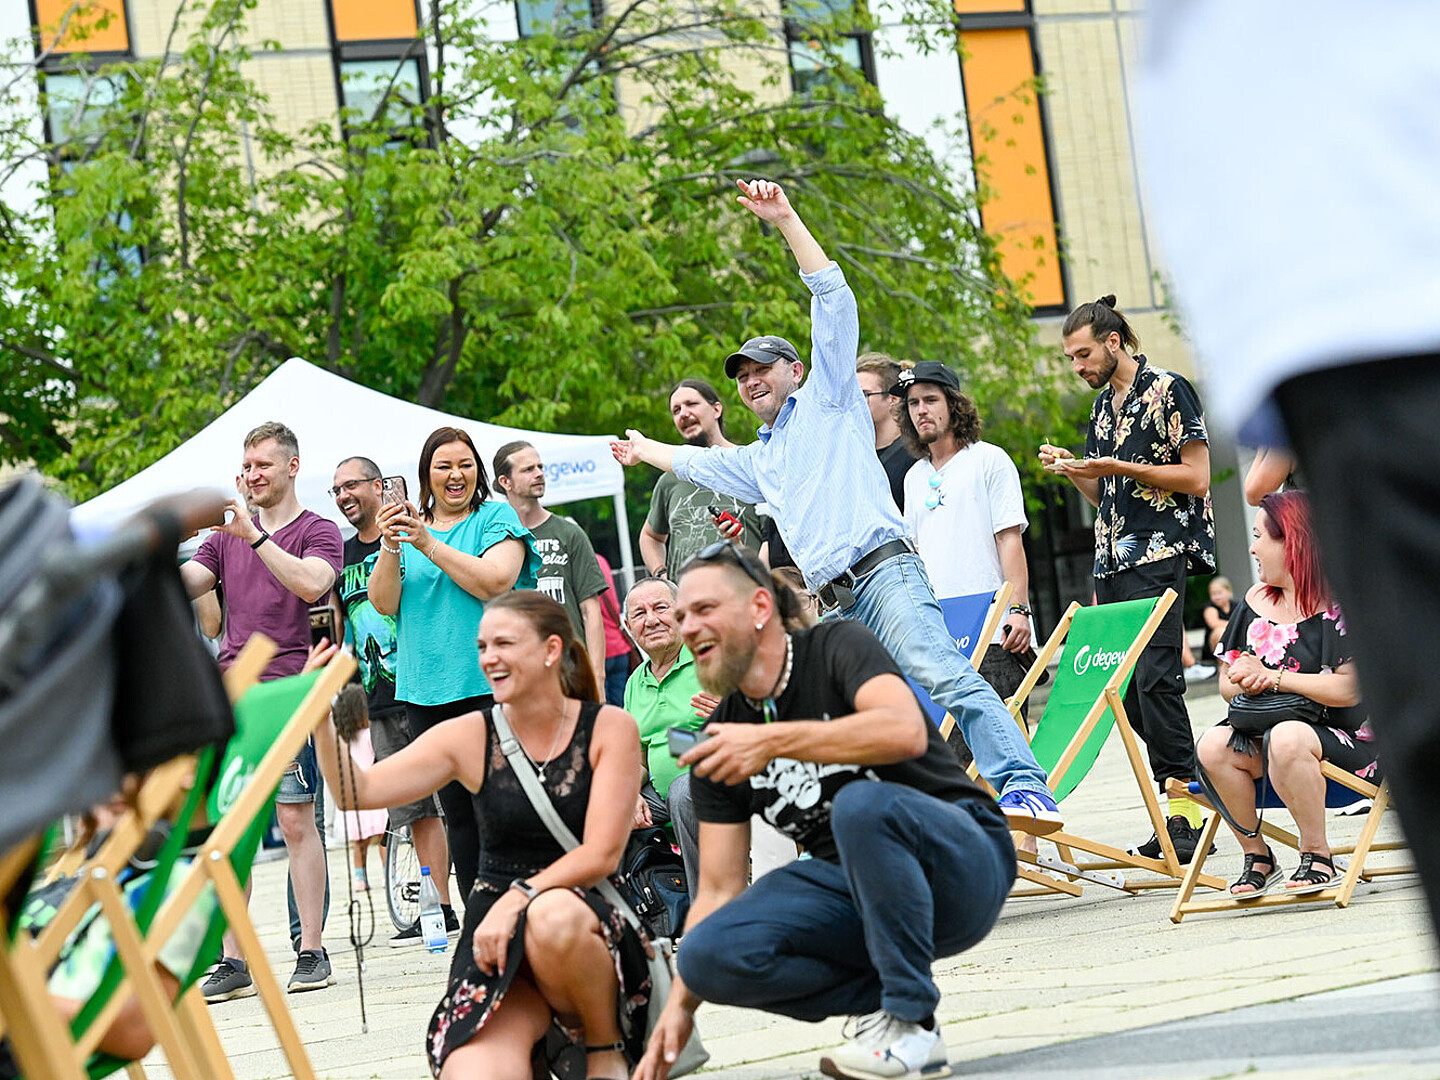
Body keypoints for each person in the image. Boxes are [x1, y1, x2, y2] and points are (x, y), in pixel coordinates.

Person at [611, 178, 1061, 833]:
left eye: (762, 368)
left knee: (940, 673)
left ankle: (1024, 787)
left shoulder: (830, 400)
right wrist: (644, 447)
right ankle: (924, 813)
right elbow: (697, 462)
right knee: (857, 715)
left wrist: (786, 218)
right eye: (740, 378)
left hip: (882, 573)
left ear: (796, 370)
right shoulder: (760, 459)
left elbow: (834, 296)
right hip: (837, 601)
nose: (751, 380)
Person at [1134, 0, 1440, 947]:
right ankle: (1261, 857)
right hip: (1339, 325)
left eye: (1267, 541)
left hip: (1366, 312)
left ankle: (1296, 852)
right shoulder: (1263, 605)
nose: (1260, 542)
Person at [634, 543, 1015, 1080]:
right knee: (706, 953)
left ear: (760, 608)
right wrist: (676, 1012)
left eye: (704, 610)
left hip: (962, 867)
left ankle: (909, 1021)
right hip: (857, 895)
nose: (687, 627)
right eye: (682, 616)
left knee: (860, 805)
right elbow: (717, 891)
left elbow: (903, 730)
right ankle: (886, 1007)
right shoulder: (721, 740)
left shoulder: (836, 645)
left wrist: (772, 741)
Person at [313, 592, 648, 1080]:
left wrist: (520, 899)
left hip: (580, 919)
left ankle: (603, 1046)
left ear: (552, 650)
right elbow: (355, 792)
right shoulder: (471, 734)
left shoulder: (608, 727)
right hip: (496, 940)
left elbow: (601, 853)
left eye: (504, 643)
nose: (489, 657)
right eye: (483, 646)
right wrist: (321, 718)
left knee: (552, 917)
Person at [1041, 297, 1215, 861]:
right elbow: (1104, 496)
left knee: (1157, 681)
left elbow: (1197, 477)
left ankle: (1185, 810)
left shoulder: (1169, 389)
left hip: (1160, 553)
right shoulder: (1101, 411)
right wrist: (1076, 471)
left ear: (1114, 342)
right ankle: (1190, 790)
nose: (1078, 367)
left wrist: (1120, 466)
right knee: (1126, 694)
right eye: (1071, 358)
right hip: (1111, 561)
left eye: (1083, 354)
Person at [179, 421, 341, 999]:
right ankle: (233, 959)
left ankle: (313, 950)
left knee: (298, 821)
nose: (251, 477)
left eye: (262, 466)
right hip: (232, 699)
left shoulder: (318, 529)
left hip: (291, 691)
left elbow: (311, 583)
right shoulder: (223, 537)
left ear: (292, 467)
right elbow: (190, 581)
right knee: (230, 830)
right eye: (245, 468)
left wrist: (253, 537)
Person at [368, 427, 541, 902]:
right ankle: (479, 919)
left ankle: (524, 909)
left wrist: (426, 544)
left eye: (464, 464)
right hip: (425, 691)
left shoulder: (493, 517)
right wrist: (389, 544)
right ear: (427, 475)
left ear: (478, 470)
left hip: (490, 684)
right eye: (443, 466)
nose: (455, 474)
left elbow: (497, 581)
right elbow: (383, 603)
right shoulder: (409, 528)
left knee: (503, 805)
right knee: (458, 814)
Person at [1196, 492, 1370, 896]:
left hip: (1344, 741)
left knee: (1288, 735)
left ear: (1291, 542)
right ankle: (1258, 855)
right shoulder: (1253, 602)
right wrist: (1246, 678)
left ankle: (1317, 852)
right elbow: (1227, 683)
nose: (1252, 547)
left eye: (1260, 537)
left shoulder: (1340, 604)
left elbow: (1349, 689)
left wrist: (1273, 678)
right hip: (1267, 734)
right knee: (1212, 746)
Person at [330, 455, 458, 946]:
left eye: (352, 485)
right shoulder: (337, 556)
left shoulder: (411, 536)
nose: (343, 496)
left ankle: (468, 894)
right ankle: (438, 909)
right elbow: (337, 629)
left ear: (379, 486)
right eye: (336, 489)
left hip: (428, 686)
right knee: (412, 809)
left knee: (455, 800)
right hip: (378, 698)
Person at [894, 361, 1035, 736]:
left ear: (953, 403)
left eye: (930, 399)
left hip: (992, 630)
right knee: (952, 755)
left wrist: (1019, 610)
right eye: (912, 404)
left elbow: (1010, 539)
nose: (921, 410)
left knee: (1004, 745)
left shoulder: (989, 459)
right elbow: (917, 556)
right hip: (940, 634)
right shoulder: (914, 477)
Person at [621, 576, 718, 895]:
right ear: (627, 625)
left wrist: (730, 712)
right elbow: (641, 757)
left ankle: (707, 905)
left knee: (684, 792)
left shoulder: (711, 658)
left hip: (722, 777)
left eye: (661, 608)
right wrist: (629, 794)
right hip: (661, 794)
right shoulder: (635, 682)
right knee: (603, 804)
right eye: (639, 613)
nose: (651, 620)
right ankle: (643, 910)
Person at [493, 440, 608, 689]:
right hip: (520, 671)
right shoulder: (495, 538)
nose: (539, 474)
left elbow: (591, 610)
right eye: (528, 469)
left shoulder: (569, 533)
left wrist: (597, 676)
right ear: (505, 482)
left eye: (540, 467)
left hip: (570, 667)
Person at [640, 378, 766, 579]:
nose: (683, 413)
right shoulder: (669, 479)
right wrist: (662, 575)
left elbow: (772, 540)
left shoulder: (746, 465)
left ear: (717, 409)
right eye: (676, 410)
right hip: (687, 604)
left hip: (743, 595)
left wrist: (763, 580)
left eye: (691, 404)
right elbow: (649, 536)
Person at [856, 353, 918, 512]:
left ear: (893, 398)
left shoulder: (916, 455)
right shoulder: (856, 454)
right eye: (853, 396)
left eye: (864, 395)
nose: (856, 403)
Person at [595, 553, 634, 707]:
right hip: (619, 646)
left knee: (603, 713)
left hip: (598, 653)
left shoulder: (574, 565)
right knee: (624, 707)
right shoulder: (601, 560)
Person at [1203, 576, 1234, 657]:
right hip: (1213, 647)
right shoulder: (1210, 607)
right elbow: (1214, 623)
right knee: (1220, 632)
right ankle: (1221, 664)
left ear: (1229, 592)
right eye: (1213, 594)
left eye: (1219, 593)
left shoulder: (1236, 606)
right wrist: (1235, 625)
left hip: (1234, 642)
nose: (1217, 597)